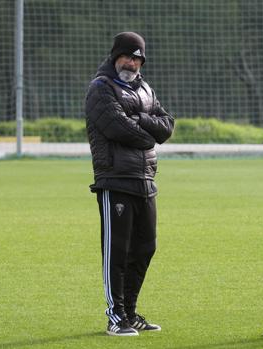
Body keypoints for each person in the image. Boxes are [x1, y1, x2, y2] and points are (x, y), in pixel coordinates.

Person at [85, 32, 174, 336]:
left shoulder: (146, 88)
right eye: (127, 56)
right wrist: (149, 130)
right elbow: (118, 128)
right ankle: (115, 316)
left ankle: (130, 312)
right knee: (117, 251)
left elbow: (168, 126)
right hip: (115, 180)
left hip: (145, 179)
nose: (132, 62)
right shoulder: (100, 88)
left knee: (146, 247)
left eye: (137, 58)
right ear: (115, 56)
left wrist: (142, 121)